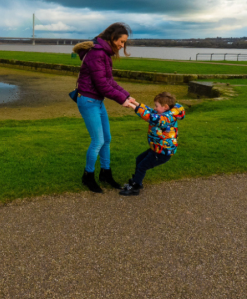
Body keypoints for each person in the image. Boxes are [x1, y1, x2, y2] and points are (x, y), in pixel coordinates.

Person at [73, 22, 136, 193]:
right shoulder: (97, 54)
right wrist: (122, 100)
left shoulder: (104, 53)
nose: (122, 46)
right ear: (112, 37)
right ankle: (88, 176)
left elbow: (110, 81)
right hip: (88, 100)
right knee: (98, 141)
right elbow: (101, 85)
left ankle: (105, 174)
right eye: (121, 41)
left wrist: (127, 96)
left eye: (124, 43)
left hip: (97, 101)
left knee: (106, 139)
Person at [120, 92, 185, 196]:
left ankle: (135, 187)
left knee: (142, 166)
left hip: (163, 151)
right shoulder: (164, 113)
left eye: (157, 106)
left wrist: (132, 107)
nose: (155, 107)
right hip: (157, 148)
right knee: (139, 160)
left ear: (165, 107)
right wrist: (136, 103)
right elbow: (150, 111)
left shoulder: (166, 118)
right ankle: (137, 181)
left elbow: (151, 118)